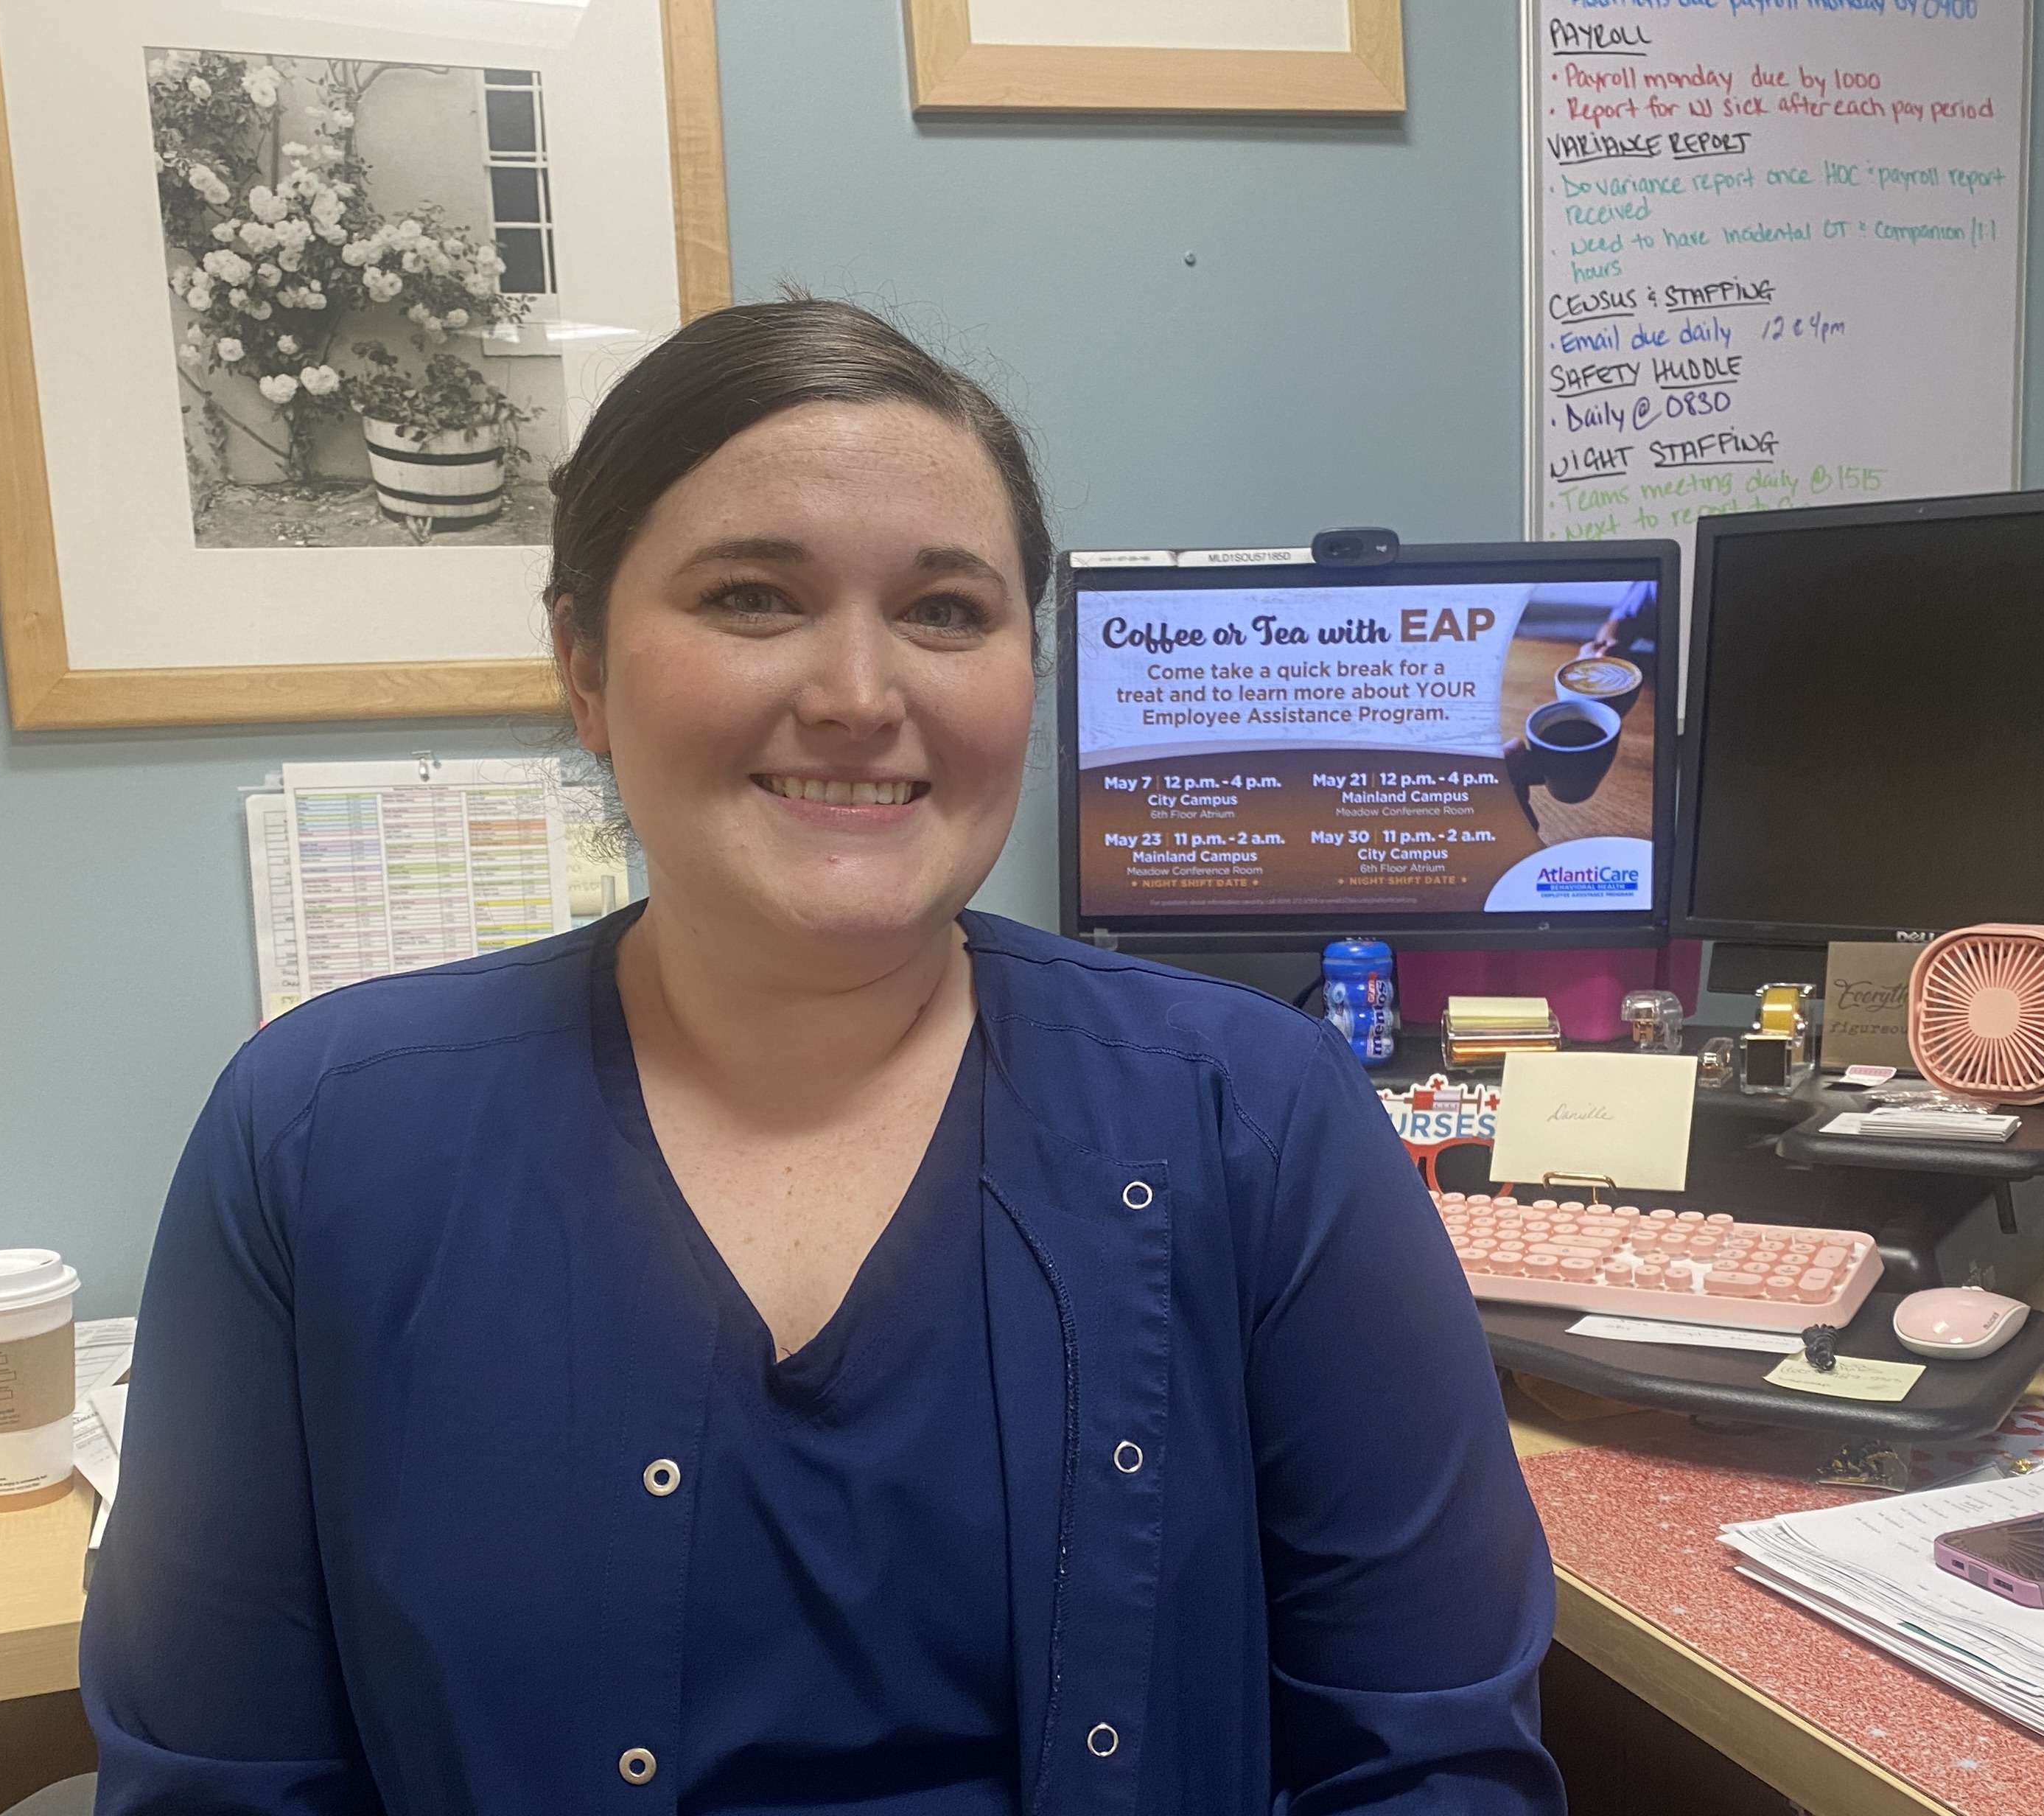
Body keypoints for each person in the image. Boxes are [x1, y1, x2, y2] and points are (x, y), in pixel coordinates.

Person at [82, 299, 1566, 1815]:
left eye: (943, 611)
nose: (860, 695)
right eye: (749, 595)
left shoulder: (1252, 1117)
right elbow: (218, 1780)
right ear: (583, 667)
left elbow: (1430, 1763)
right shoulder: (321, 1141)